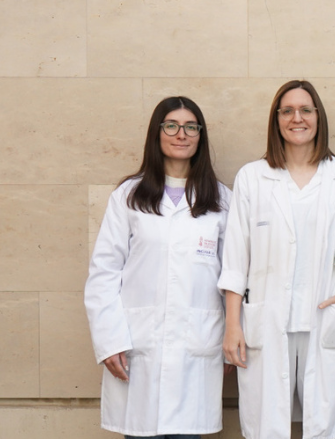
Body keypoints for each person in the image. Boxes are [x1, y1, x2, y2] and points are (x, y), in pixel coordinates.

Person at [219, 80, 335, 439]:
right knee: (267, 428)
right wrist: (232, 324)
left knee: (324, 427)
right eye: (287, 111)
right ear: (276, 119)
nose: (297, 118)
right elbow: (236, 259)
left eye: (305, 110)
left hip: (324, 314)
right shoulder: (253, 177)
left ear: (318, 117)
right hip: (267, 319)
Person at [85, 96, 230, 439]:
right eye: (171, 126)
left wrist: (230, 339)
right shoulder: (129, 196)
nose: (182, 134)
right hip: (137, 347)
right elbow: (104, 273)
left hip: (198, 347)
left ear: (200, 136)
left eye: (191, 127)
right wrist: (109, 340)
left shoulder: (222, 199)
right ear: (157, 133)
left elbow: (233, 277)